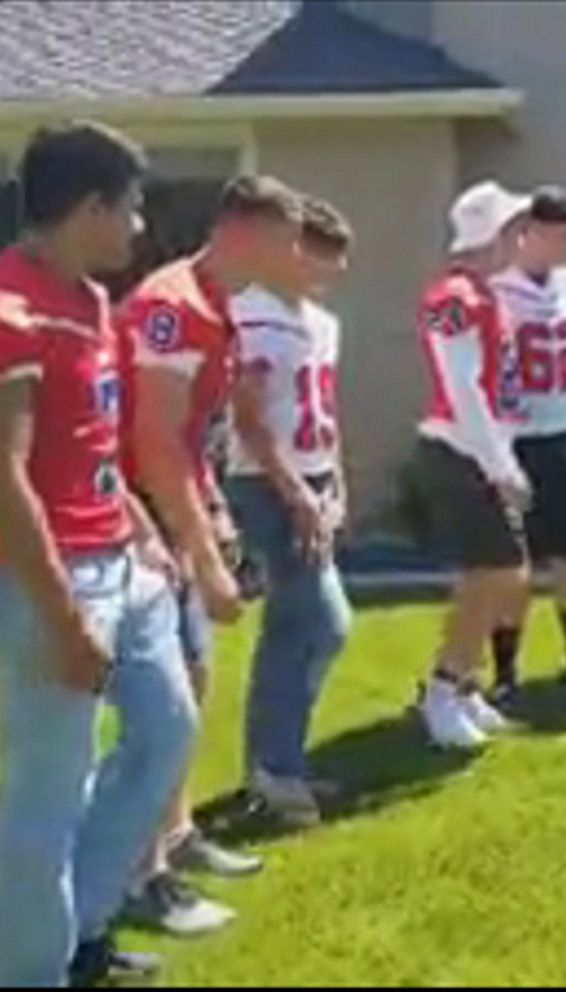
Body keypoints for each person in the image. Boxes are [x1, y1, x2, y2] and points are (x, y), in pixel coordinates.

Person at [0, 122, 198, 988]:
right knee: (49, 795)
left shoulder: (93, 302)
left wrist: (149, 539)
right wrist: (65, 617)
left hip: (122, 560)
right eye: (132, 207)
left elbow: (95, 450)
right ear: (90, 208)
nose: (140, 226)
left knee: (166, 734)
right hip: (56, 579)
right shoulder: (11, 308)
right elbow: (5, 480)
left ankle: (78, 930)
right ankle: (31, 969)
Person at [120, 175, 304, 933]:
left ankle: (176, 833)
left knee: (192, 680)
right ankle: (140, 873)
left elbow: (196, 437)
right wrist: (203, 557)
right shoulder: (173, 307)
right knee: (157, 704)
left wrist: (217, 509)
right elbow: (153, 443)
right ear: (241, 229)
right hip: (136, 519)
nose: (294, 254)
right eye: (284, 237)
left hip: (177, 506)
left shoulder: (216, 303)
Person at [227, 197, 354, 828]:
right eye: (320, 254)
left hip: (314, 475)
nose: (330, 270)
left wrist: (337, 484)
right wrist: (296, 491)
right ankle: (275, 765)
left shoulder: (321, 323)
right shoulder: (251, 315)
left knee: (301, 626)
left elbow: (327, 410)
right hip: (271, 482)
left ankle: (278, 761)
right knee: (319, 621)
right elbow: (248, 416)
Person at [416, 180, 533, 750]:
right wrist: (501, 464)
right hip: (459, 450)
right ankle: (442, 688)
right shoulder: (454, 296)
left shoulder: (485, 295)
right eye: (514, 228)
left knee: (500, 574)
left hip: (478, 449)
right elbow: (461, 385)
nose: (521, 239)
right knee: (492, 573)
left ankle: (461, 683)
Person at [488, 187, 566, 697]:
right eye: (562, 235)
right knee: (511, 565)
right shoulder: (495, 291)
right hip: (516, 437)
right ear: (530, 232)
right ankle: (504, 673)